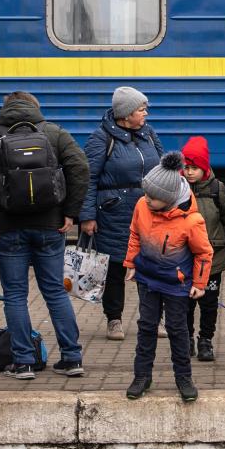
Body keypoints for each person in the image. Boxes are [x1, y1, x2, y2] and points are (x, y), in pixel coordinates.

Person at [0, 91, 90, 380]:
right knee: (55, 291)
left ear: (5, 109)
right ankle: (72, 358)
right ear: (35, 108)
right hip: (51, 225)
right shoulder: (54, 133)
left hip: (8, 228)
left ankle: (24, 362)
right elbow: (80, 167)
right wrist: (70, 212)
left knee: (15, 295)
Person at [123, 153, 213, 402]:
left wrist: (199, 283)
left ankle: (183, 377)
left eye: (153, 197)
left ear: (170, 198)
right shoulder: (142, 205)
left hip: (176, 283)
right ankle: (142, 376)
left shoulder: (192, 221)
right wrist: (130, 263)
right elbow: (134, 234)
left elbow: (203, 253)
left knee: (177, 329)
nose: (147, 199)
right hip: (147, 278)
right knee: (146, 326)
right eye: (146, 194)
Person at [80, 86, 164, 342]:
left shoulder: (148, 134)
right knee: (115, 268)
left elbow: (163, 167)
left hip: (148, 211)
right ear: (126, 114)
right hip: (114, 213)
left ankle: (153, 318)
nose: (146, 113)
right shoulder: (101, 138)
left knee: (151, 266)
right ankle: (114, 319)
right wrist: (87, 216)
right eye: (141, 109)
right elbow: (88, 179)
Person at [181, 136, 225, 361]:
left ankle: (205, 340)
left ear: (204, 168)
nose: (189, 172)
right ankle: (186, 338)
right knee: (185, 303)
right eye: (186, 167)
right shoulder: (178, 189)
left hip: (212, 259)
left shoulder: (216, 188)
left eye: (194, 168)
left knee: (209, 303)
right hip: (184, 258)